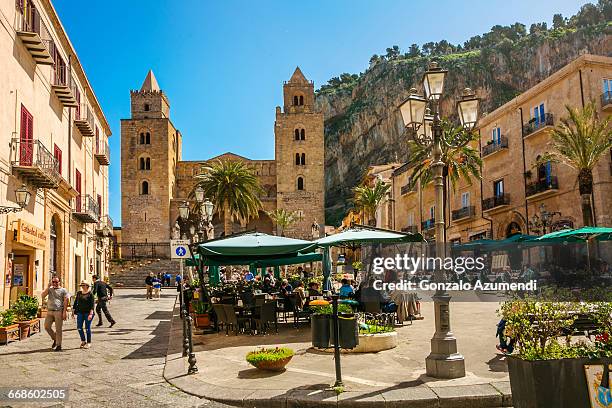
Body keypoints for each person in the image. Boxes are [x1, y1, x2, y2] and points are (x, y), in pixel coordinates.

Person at [41, 276, 68, 352]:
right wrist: (48, 287)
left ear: (59, 282)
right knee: (46, 326)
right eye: (53, 282)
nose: (55, 283)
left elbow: (66, 301)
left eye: (56, 282)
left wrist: (64, 312)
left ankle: (59, 345)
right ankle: (55, 339)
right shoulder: (50, 289)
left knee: (58, 329)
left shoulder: (63, 290)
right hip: (49, 311)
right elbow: (42, 295)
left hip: (58, 311)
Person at [73, 281, 95, 349]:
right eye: (81, 285)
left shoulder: (90, 294)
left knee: (87, 328)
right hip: (80, 312)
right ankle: (83, 341)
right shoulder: (79, 293)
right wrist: (73, 311)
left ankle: (89, 342)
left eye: (84, 285)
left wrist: (91, 314)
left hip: (88, 313)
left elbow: (92, 305)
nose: (82, 286)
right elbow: (75, 302)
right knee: (79, 327)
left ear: (87, 286)